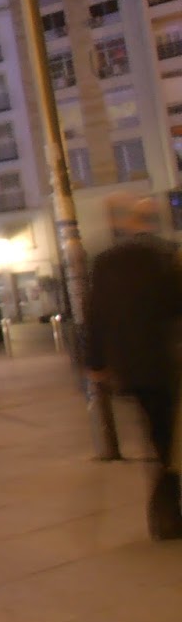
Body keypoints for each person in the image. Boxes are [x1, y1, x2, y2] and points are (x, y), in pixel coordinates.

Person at [82, 193, 182, 539]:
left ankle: (165, 509)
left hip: (131, 365)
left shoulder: (105, 262)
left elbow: (94, 315)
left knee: (157, 432)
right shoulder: (165, 257)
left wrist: (95, 362)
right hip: (164, 361)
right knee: (166, 436)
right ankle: (167, 510)